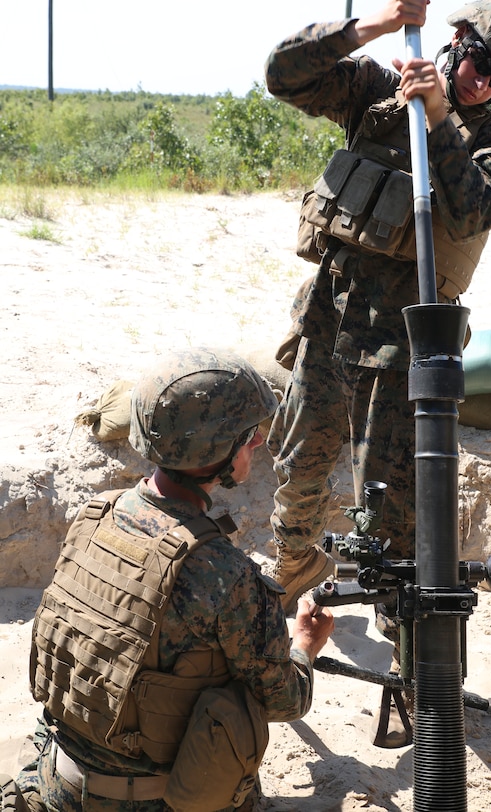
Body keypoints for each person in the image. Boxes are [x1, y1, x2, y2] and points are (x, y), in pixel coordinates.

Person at [264, 0, 491, 617]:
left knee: (398, 512)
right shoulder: (377, 95)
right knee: (300, 468)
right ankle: (291, 576)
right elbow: (282, 75)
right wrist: (373, 25)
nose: (483, 87)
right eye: (480, 66)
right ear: (457, 40)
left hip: (406, 350)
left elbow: (472, 206)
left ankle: (412, 652)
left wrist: (441, 117)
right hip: (330, 321)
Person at [6, 348, 334, 812]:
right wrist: (304, 644)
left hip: (56, 778)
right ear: (216, 455)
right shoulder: (226, 574)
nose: (257, 444)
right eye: (247, 436)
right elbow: (284, 700)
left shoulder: (93, 517)